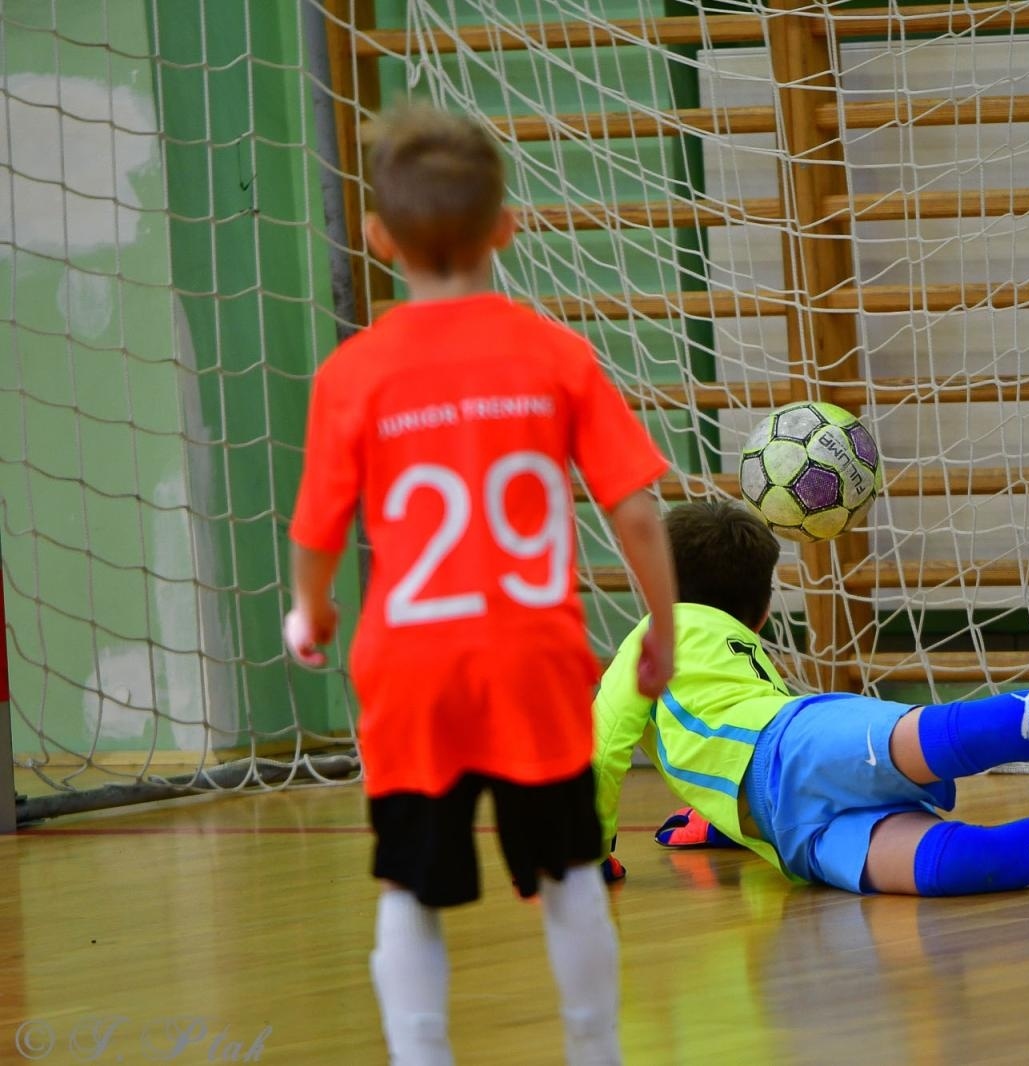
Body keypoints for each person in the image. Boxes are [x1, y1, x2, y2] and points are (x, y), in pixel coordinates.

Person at [283, 105, 676, 1066]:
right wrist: (661, 629)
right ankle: (595, 1051)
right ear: (506, 226)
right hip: (532, 660)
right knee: (569, 870)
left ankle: (421, 1055)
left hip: (410, 668)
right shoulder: (556, 355)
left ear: (379, 239)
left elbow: (316, 530)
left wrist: (312, 610)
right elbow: (633, 511)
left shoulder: (352, 373)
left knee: (407, 886)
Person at [594, 499, 1029, 897]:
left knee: (964, 735)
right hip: (790, 834)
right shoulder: (728, 647)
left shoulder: (654, 634)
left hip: (797, 742)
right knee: (961, 868)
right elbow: (714, 740)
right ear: (766, 612)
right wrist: (720, 818)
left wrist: (591, 852)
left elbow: (601, 748)